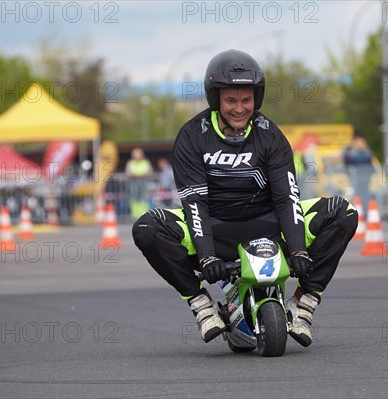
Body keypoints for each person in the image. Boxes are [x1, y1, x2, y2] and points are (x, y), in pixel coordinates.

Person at [132, 49, 358, 347]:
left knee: (345, 212)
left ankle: (304, 304)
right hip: (214, 228)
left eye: (246, 100)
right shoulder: (192, 136)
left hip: (269, 225)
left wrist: (300, 251)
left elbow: (287, 197)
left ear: (257, 99)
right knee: (147, 228)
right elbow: (194, 203)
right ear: (216, 99)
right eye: (231, 100)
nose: (240, 108)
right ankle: (201, 305)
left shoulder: (270, 135)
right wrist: (207, 256)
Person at [342, 133, 374, 215]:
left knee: (362, 195)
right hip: (358, 179)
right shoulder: (358, 153)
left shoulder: (364, 154)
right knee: (357, 195)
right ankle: (359, 211)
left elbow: (351, 160)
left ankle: (363, 211)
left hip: (362, 179)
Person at [125, 147, 153, 219]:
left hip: (144, 184)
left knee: (144, 198)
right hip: (133, 185)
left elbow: (150, 172)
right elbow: (128, 173)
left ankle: (144, 213)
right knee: (134, 199)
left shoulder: (146, 162)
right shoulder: (130, 163)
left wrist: (140, 175)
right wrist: (137, 175)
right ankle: (134, 214)